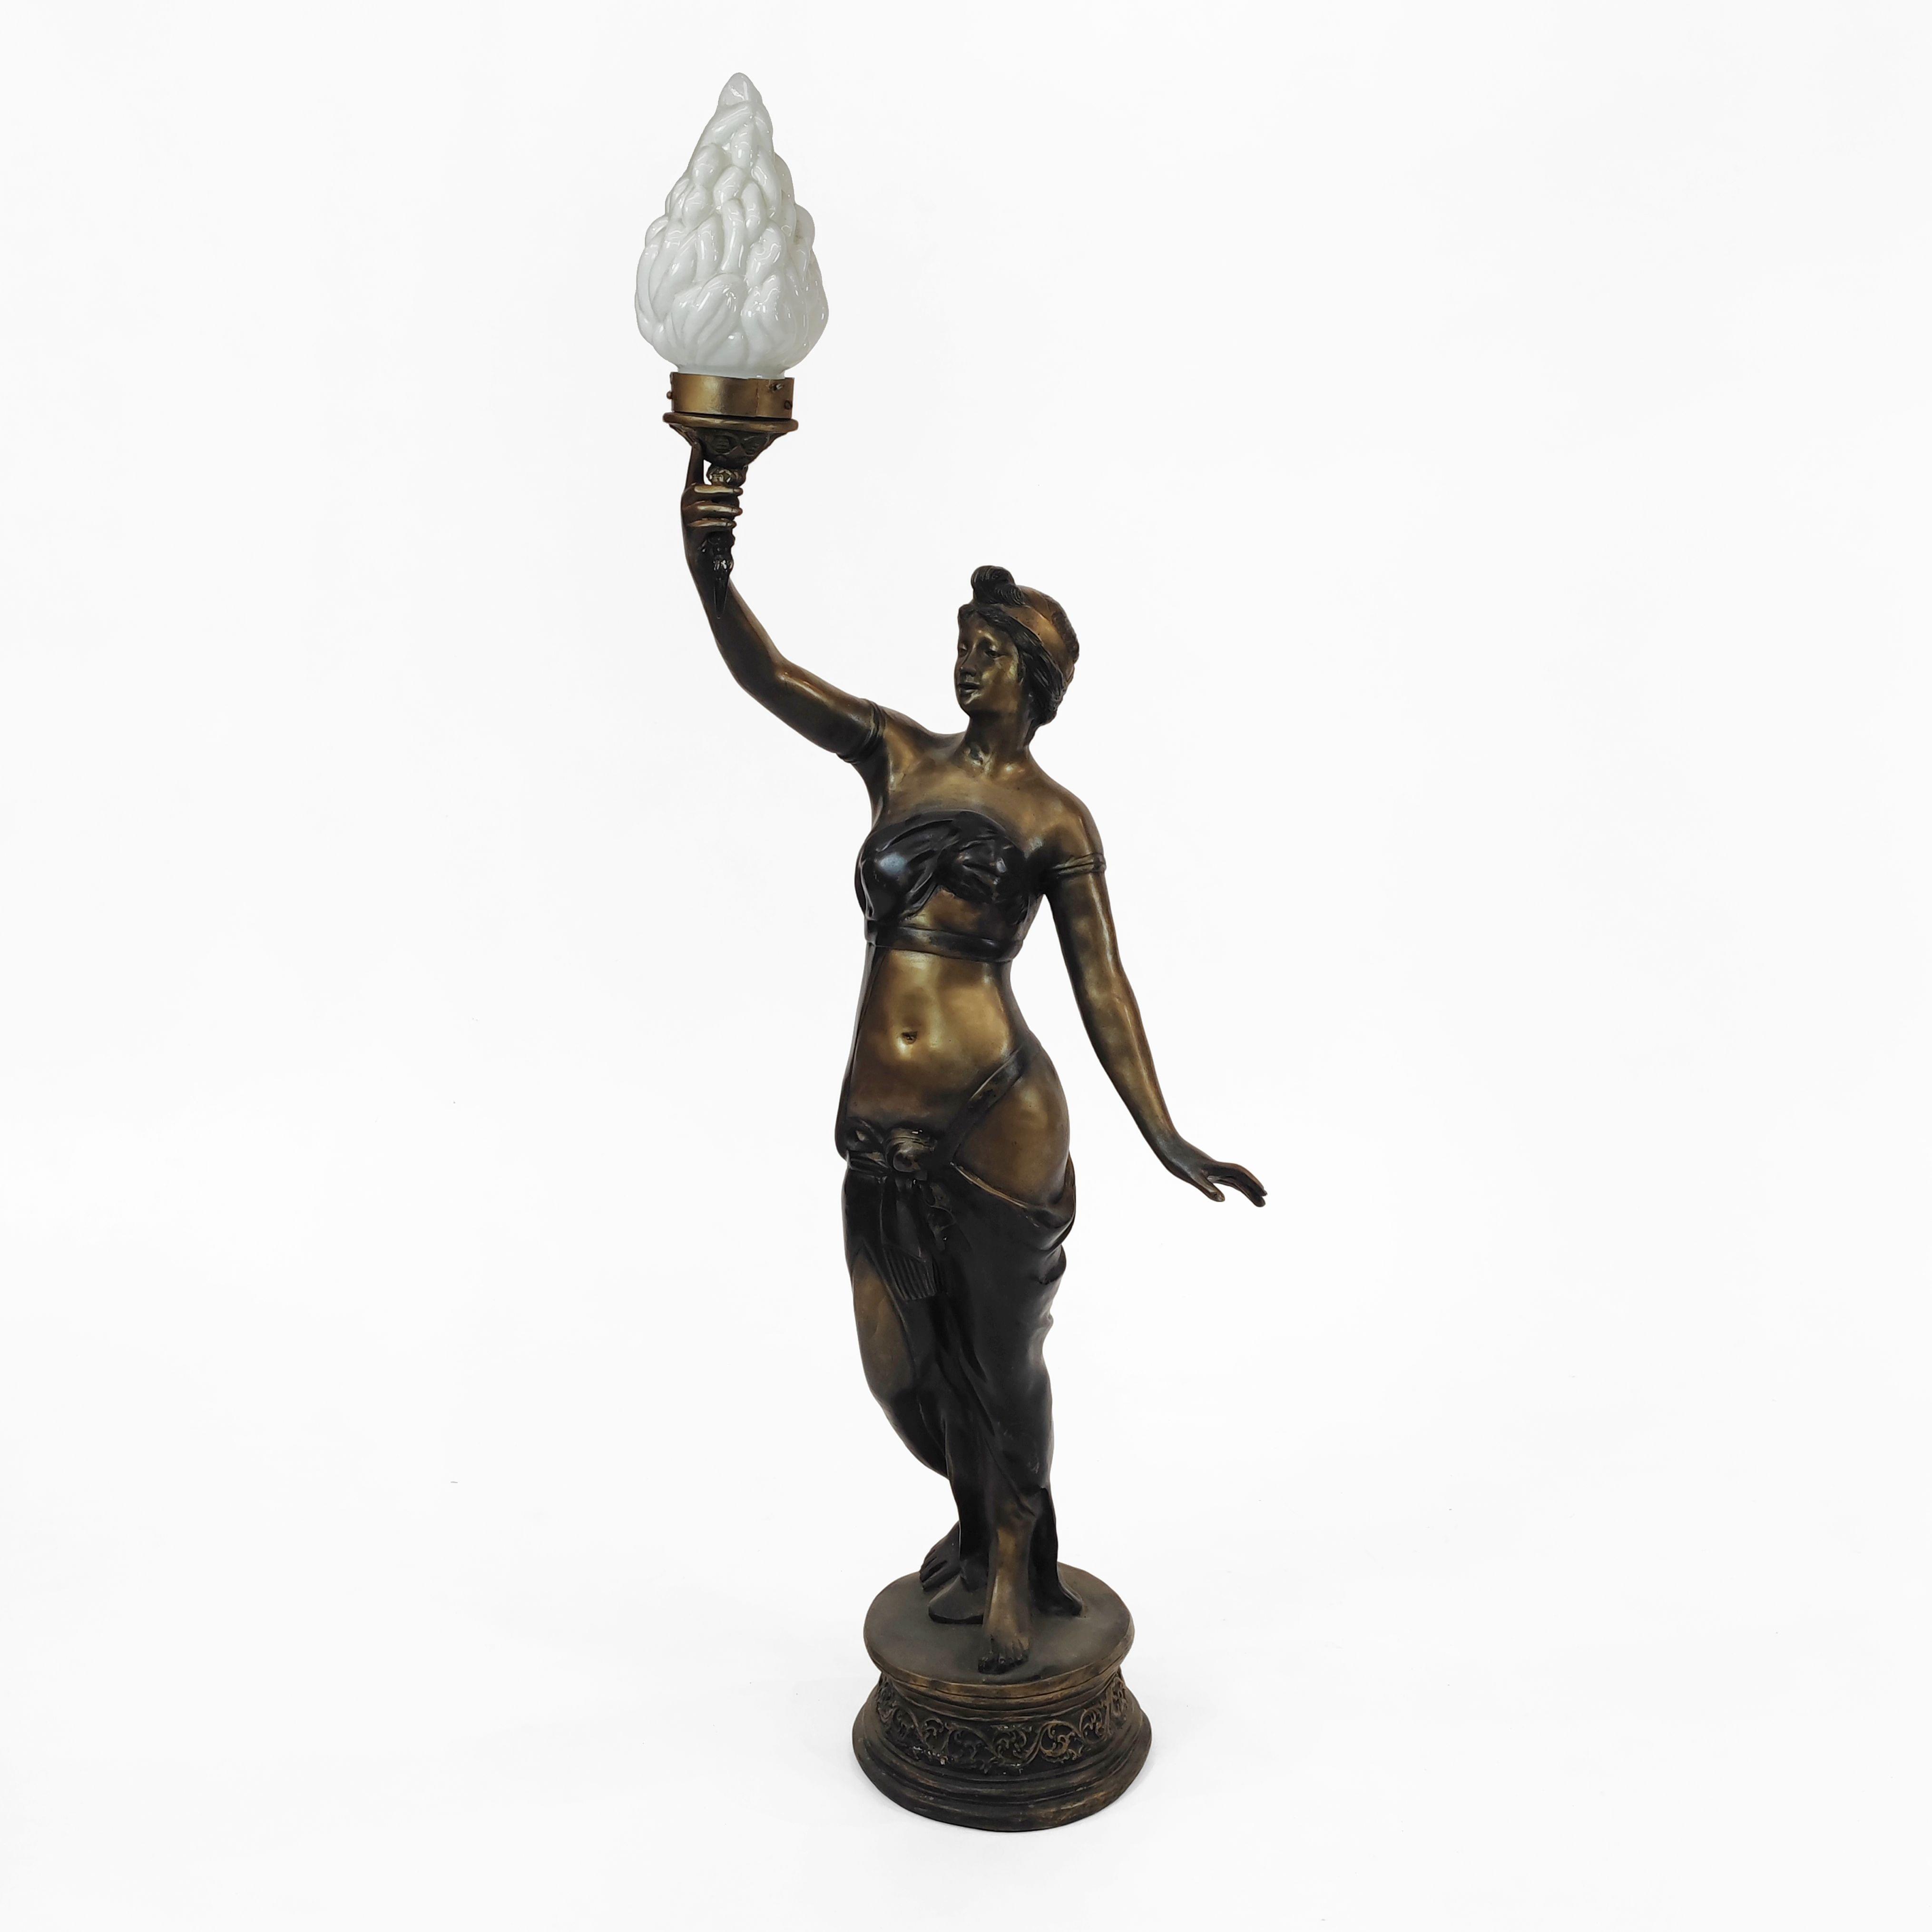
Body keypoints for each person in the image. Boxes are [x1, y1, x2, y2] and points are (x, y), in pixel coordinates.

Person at [679, 448, 1265, 1672]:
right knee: (901, 1368)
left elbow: (1103, 986)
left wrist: (1164, 1132)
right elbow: (768, 675)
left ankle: (1009, 1554)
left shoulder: (1056, 820)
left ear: (1036, 682)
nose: (968, 660)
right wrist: (709, 559)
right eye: (964, 641)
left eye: (992, 649)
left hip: (1000, 1116)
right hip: (880, 1119)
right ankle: (982, 1514)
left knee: (1002, 1358)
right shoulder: (898, 755)